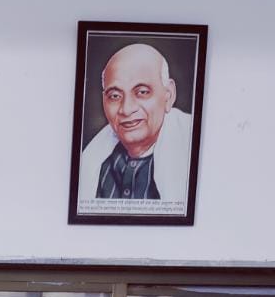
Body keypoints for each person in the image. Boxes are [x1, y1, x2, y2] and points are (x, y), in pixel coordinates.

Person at [78, 42, 193, 204]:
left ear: (169, 95)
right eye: (115, 96)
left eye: (142, 92)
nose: (126, 109)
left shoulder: (192, 149)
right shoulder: (93, 161)